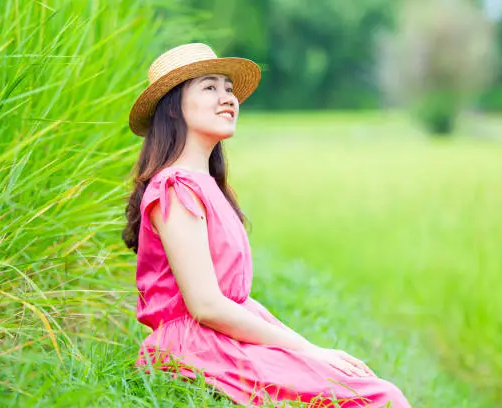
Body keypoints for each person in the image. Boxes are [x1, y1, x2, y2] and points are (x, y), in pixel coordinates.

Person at [122, 43, 410, 407]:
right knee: (378, 398)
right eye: (209, 88)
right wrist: (310, 351)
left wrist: (312, 351)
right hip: (194, 347)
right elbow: (206, 305)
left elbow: (234, 302)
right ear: (173, 109)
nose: (226, 97)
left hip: (219, 337)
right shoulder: (175, 188)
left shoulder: (207, 186)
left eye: (228, 89)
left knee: (366, 387)